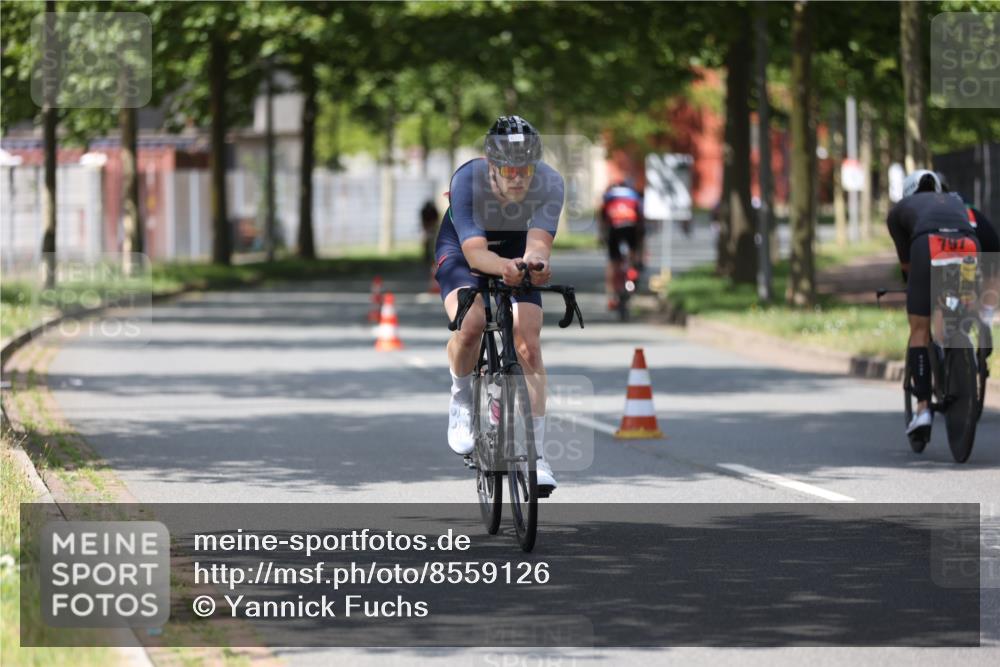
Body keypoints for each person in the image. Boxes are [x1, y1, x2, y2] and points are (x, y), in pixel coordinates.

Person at [434, 115, 564, 492]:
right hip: (462, 251)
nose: (518, 177)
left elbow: (538, 244)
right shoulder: (467, 180)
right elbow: (475, 255)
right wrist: (507, 267)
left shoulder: (550, 183)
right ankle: (461, 395)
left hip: (514, 252)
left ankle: (537, 456)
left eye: (525, 168)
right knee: (471, 324)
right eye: (509, 168)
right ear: (492, 165)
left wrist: (536, 265)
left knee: (529, 344)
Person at [886, 169, 997, 438]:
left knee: (920, 330)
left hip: (927, 244)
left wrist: (913, 289)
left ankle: (923, 408)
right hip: (969, 246)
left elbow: (907, 266)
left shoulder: (899, 211)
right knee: (956, 303)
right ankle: (974, 322)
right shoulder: (958, 202)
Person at [599, 181, 644, 310]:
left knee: (613, 262)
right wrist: (640, 241)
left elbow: (602, 216)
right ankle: (632, 272)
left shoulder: (609, 195)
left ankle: (611, 296)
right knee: (633, 252)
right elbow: (640, 218)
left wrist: (601, 235)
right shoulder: (633, 194)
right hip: (631, 226)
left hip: (614, 227)